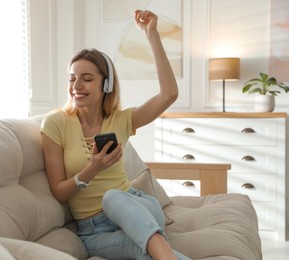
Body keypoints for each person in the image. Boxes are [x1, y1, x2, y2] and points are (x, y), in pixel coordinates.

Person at [41, 9, 190, 260]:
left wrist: (152, 34)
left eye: (87, 79)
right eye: (72, 78)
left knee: (113, 197)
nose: (76, 86)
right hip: (95, 229)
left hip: (139, 207)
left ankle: (157, 243)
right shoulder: (55, 122)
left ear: (106, 84)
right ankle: (163, 250)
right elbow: (59, 191)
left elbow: (169, 94)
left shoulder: (121, 120)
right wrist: (92, 169)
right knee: (147, 252)